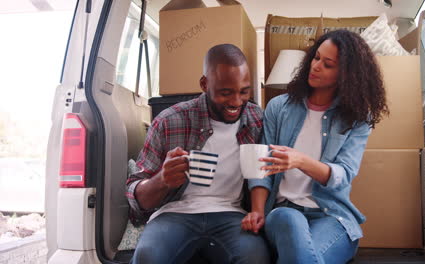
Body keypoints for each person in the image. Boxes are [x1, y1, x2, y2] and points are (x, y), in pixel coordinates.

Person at [241, 29, 389, 264]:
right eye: (316, 57)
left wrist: (300, 161)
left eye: (328, 64)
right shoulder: (279, 107)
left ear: (346, 75)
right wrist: (258, 211)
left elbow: (344, 174)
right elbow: (261, 168)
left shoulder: (357, 119)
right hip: (282, 212)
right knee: (289, 219)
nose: (316, 65)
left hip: (332, 218)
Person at [126, 44, 270, 264]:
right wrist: (162, 179)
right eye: (225, 92)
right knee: (148, 257)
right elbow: (136, 197)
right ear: (204, 84)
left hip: (231, 215)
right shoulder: (170, 120)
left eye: (244, 91)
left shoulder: (256, 119)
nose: (236, 102)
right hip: (174, 214)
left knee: (255, 257)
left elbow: (263, 173)